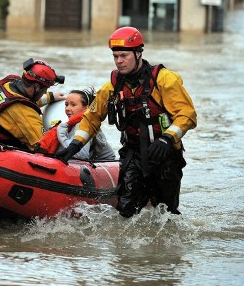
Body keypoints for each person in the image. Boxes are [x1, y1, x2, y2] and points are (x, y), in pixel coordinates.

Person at [57, 27, 197, 218]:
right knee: (127, 210)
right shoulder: (113, 86)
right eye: (115, 56)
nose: (119, 61)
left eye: (124, 55)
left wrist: (167, 139)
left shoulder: (164, 80)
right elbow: (92, 118)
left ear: (138, 53)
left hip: (164, 154)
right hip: (133, 154)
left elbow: (187, 114)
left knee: (167, 212)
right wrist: (74, 145)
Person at [0, 58, 65, 150]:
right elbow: (44, 146)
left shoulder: (9, 81)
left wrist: (50, 97)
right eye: (45, 89)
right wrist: (59, 126)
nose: (45, 93)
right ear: (36, 87)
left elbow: (23, 100)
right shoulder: (23, 112)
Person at [39, 88, 115, 160]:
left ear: (86, 108)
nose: (67, 108)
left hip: (105, 165)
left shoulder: (84, 125)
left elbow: (81, 155)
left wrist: (62, 136)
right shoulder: (70, 125)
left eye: (73, 105)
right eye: (66, 104)